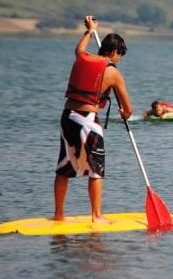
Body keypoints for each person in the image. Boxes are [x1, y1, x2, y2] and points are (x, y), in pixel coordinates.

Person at [54, 15, 133, 223]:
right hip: (87, 120)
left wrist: (89, 30)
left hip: (67, 117)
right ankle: (97, 216)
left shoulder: (82, 57)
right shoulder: (113, 73)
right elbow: (128, 109)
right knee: (96, 169)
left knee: (65, 165)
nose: (118, 60)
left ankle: (59, 214)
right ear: (114, 52)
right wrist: (124, 114)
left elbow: (79, 49)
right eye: (119, 56)